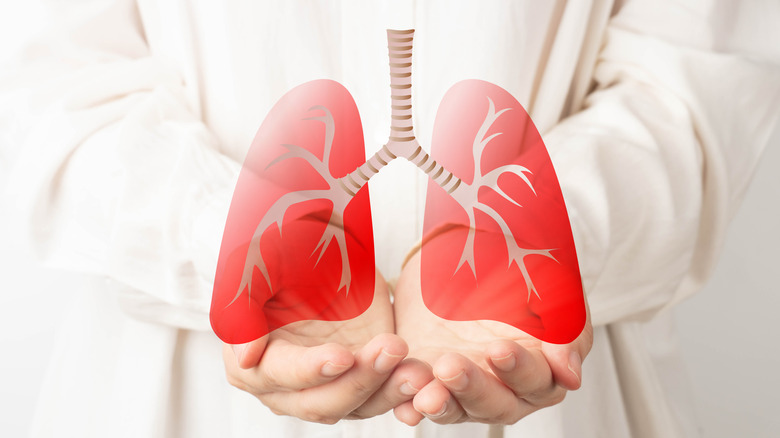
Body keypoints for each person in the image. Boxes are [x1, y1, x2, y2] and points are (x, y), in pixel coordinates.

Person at [1, 1, 778, 437]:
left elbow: (697, 92)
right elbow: (56, 95)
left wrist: (524, 256)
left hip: (552, 381)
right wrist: (251, 260)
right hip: (177, 401)